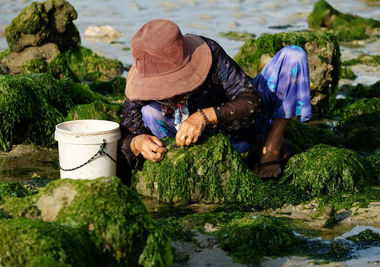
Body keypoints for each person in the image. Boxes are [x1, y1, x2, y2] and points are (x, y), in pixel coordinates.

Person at [118, 19, 311, 181]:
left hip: (243, 126)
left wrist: (204, 117)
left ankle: (271, 148)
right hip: (196, 146)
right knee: (150, 112)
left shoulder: (208, 51)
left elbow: (251, 100)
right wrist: (137, 143)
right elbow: (124, 136)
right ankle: (187, 167)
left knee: (293, 56)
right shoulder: (141, 84)